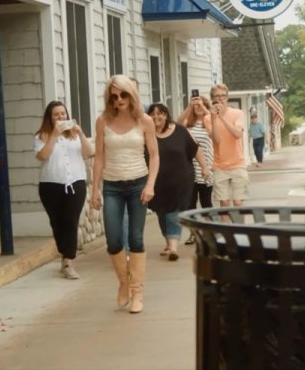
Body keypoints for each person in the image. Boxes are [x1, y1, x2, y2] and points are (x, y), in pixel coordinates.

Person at [90, 74, 159, 314]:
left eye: (123, 95)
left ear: (132, 95)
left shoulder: (145, 121)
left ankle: (137, 293)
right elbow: (99, 156)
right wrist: (94, 190)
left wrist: (150, 184)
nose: (118, 100)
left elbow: (155, 155)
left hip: (138, 183)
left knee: (137, 238)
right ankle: (124, 282)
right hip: (112, 186)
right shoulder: (103, 121)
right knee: (114, 239)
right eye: (114, 96)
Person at [34, 101, 93, 279]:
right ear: (50, 118)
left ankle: (68, 261)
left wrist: (81, 133)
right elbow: (42, 156)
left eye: (63, 114)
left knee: (70, 221)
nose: (60, 117)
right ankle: (64, 253)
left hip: (75, 183)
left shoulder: (74, 135)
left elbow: (89, 152)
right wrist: (54, 135)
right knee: (57, 222)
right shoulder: (42, 135)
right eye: (56, 114)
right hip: (50, 184)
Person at [145, 103, 198, 261]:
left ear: (166, 115)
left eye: (160, 113)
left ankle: (173, 247)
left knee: (174, 211)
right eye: (152, 114)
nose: (156, 117)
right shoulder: (146, 134)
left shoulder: (179, 131)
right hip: (157, 182)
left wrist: (205, 168)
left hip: (181, 180)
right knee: (162, 212)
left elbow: (194, 150)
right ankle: (169, 244)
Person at [177, 95, 214, 245]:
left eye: (201, 104)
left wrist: (205, 109)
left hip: (206, 167)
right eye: (196, 105)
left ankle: (208, 232)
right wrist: (189, 106)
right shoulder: (188, 123)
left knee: (206, 202)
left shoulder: (210, 122)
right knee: (190, 204)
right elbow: (178, 123)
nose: (198, 107)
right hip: (190, 168)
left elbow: (214, 124)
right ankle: (194, 234)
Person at [208, 84, 248, 207]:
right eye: (217, 96)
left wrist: (222, 117)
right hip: (220, 165)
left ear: (227, 97)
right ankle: (225, 226)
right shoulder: (207, 118)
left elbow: (237, 134)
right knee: (224, 202)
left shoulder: (237, 113)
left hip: (237, 163)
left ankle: (239, 227)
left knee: (238, 202)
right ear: (212, 98)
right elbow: (217, 140)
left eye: (223, 96)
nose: (220, 99)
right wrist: (215, 118)